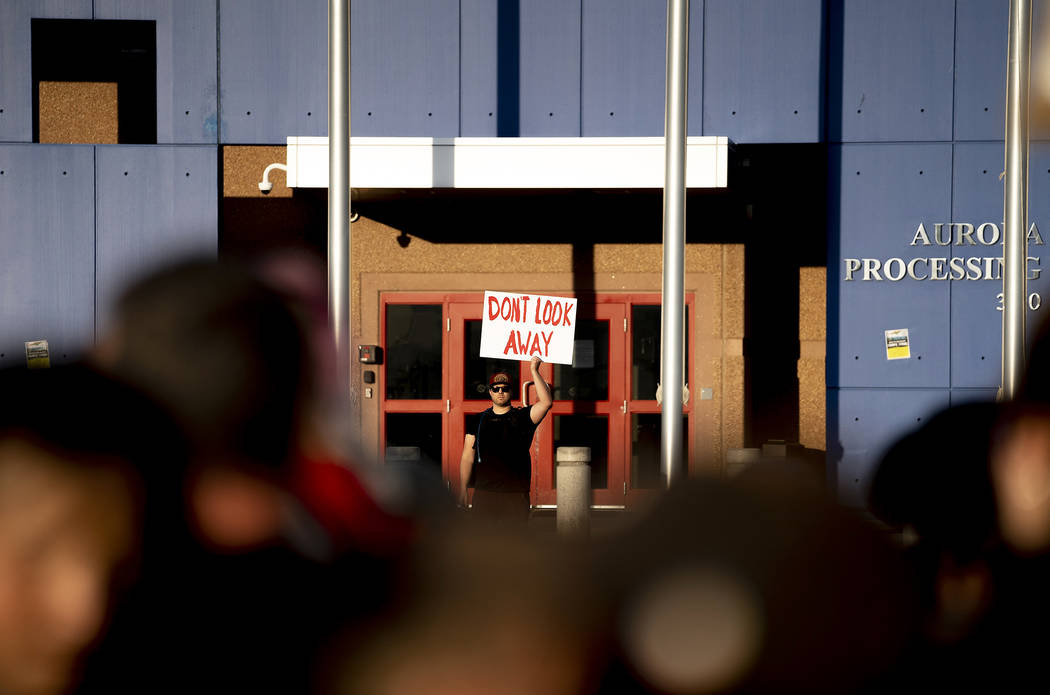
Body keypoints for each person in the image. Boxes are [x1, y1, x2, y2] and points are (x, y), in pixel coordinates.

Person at [458, 356, 552, 524]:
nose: (500, 392)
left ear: (511, 391)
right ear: (490, 391)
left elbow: (546, 402)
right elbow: (467, 456)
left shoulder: (523, 417)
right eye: (496, 388)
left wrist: (534, 371)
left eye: (505, 388)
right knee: (484, 542)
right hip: (485, 492)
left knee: (514, 542)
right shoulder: (478, 420)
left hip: (515, 493)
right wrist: (463, 488)